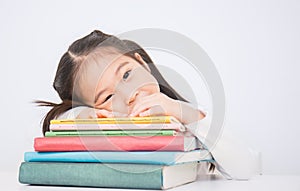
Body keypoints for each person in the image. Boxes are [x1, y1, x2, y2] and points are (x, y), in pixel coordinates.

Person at [37, 30, 260, 180]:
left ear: (142, 63)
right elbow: (63, 119)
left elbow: (245, 167)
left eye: (126, 74)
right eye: (107, 97)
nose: (129, 94)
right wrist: (88, 115)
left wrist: (184, 112)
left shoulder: (188, 115)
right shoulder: (99, 127)